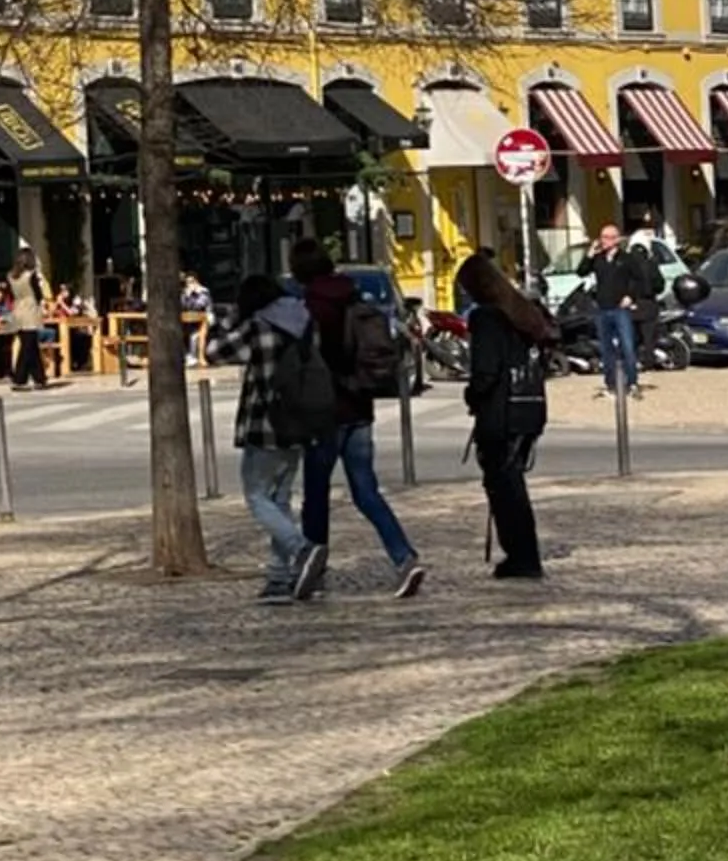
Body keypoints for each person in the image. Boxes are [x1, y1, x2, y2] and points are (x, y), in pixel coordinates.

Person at [288, 240, 425, 600]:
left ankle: (313, 563)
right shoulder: (355, 298)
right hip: (359, 406)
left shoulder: (311, 308)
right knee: (366, 491)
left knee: (315, 493)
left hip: (324, 411)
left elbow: (304, 360)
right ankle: (404, 557)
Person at [207, 270, 333, 602]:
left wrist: (224, 321)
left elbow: (214, 351)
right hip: (300, 423)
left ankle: (302, 550)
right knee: (280, 500)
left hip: (265, 424)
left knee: (257, 496)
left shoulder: (258, 326)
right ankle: (280, 577)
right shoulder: (304, 322)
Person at [457, 248, 559, 581]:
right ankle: (523, 552)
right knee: (513, 484)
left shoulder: (487, 318)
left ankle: (521, 555)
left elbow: (486, 371)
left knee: (504, 486)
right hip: (528, 407)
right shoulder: (524, 314)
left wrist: (472, 394)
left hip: (501, 411)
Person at [583, 222, 652, 399]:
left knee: (627, 346)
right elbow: (581, 272)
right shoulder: (598, 259)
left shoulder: (627, 259)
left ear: (616, 239)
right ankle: (610, 383)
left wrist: (630, 296)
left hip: (620, 309)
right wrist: (589, 255)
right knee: (606, 350)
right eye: (602, 237)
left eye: (607, 237)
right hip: (603, 309)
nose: (603, 241)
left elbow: (640, 281)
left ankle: (632, 382)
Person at [6, 255, 50, 389]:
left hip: (18, 310)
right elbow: (38, 294)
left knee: (31, 346)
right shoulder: (30, 276)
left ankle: (39, 377)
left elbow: (11, 294)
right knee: (27, 347)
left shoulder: (11, 276)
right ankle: (20, 378)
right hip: (30, 311)